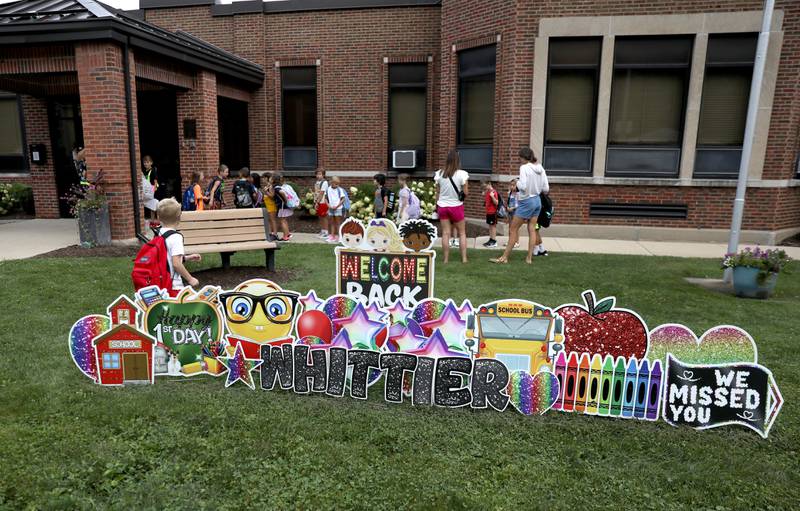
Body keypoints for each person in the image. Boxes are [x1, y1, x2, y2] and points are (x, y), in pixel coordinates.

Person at [491, 147, 549, 264]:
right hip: (537, 200)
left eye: (520, 158)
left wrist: (517, 182)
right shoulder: (540, 168)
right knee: (532, 229)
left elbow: (523, 186)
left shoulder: (524, 167)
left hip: (526, 202)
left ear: (523, 157)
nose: (519, 160)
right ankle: (529, 258)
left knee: (513, 229)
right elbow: (546, 189)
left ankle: (504, 257)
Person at [156, 198, 201, 293]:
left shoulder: (159, 233)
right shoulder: (176, 237)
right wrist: (190, 279)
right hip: (173, 286)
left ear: (158, 217)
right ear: (179, 217)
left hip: (161, 283)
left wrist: (187, 258)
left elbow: (167, 257)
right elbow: (176, 264)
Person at [434, 149, 469, 264]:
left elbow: (437, 193)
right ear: (457, 160)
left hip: (442, 206)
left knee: (445, 233)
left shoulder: (439, 174)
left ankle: (445, 259)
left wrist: (436, 206)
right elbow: (466, 192)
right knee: (462, 233)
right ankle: (464, 259)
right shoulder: (462, 174)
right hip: (456, 207)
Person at [272, 172, 293, 241]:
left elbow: (282, 192)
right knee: (284, 220)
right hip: (284, 206)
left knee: (282, 221)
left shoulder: (276, 188)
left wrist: (286, 200)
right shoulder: (280, 186)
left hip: (282, 206)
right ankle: (287, 233)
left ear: (273, 180)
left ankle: (285, 236)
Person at [325, 176, 346, 243]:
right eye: (335, 183)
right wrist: (328, 206)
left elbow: (343, 199)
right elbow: (326, 199)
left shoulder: (340, 190)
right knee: (332, 223)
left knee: (338, 223)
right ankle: (332, 236)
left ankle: (339, 236)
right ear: (331, 182)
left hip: (338, 208)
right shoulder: (328, 189)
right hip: (331, 208)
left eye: (337, 184)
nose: (337, 185)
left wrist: (337, 206)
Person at [141, 155, 159, 225]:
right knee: (148, 204)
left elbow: (155, 181)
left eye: (147, 162)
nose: (146, 164)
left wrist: (154, 190)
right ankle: (151, 220)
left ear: (151, 163)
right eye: (144, 162)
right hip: (146, 189)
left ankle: (154, 219)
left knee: (153, 204)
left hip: (152, 188)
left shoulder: (153, 170)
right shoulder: (144, 171)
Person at [262, 172, 279, 241]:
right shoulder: (267, 186)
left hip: (272, 206)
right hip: (267, 206)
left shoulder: (271, 186)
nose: (262, 180)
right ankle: (270, 233)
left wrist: (266, 192)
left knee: (273, 220)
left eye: (263, 178)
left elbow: (272, 196)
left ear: (267, 178)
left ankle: (275, 234)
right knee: (269, 220)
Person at [482, 180, 499, 248]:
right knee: (490, 226)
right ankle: (491, 239)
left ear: (489, 184)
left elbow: (496, 203)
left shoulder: (493, 192)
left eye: (485, 186)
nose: (485, 188)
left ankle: (494, 242)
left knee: (493, 226)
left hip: (493, 212)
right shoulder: (488, 191)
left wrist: (492, 197)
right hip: (488, 212)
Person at [314, 169, 330, 238]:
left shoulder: (324, 182)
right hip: (318, 201)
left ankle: (326, 232)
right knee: (320, 217)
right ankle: (323, 230)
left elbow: (322, 193)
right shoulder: (317, 182)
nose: (318, 175)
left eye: (320, 174)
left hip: (323, 202)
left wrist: (317, 202)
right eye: (317, 174)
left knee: (324, 217)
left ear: (323, 175)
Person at [504, 179, 519, 249]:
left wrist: (512, 208)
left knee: (515, 228)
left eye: (514, 185)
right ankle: (510, 241)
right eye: (511, 185)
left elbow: (518, 204)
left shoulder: (518, 194)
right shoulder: (510, 193)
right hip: (510, 211)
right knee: (510, 227)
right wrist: (507, 207)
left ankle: (516, 242)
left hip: (515, 212)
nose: (512, 187)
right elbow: (508, 202)